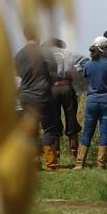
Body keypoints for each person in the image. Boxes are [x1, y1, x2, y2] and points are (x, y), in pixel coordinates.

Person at [75, 36, 107, 169]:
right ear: (104, 49)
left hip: (92, 100)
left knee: (88, 131)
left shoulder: (88, 65)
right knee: (105, 132)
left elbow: (86, 78)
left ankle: (80, 163)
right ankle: (101, 163)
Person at [14, 34, 57, 170]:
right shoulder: (45, 52)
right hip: (43, 95)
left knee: (31, 130)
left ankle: (34, 163)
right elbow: (53, 73)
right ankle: (51, 163)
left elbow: (19, 75)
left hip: (26, 97)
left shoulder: (18, 55)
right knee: (49, 128)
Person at [44, 38, 85, 169]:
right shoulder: (69, 53)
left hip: (53, 88)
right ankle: (75, 154)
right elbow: (85, 60)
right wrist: (76, 71)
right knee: (71, 119)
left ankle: (56, 155)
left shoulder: (45, 54)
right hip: (67, 86)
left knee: (54, 121)